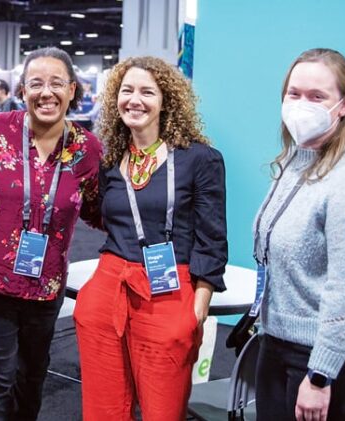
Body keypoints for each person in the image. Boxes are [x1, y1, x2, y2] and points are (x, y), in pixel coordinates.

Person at [73, 56, 227, 420]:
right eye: (127, 91)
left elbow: (212, 238)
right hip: (106, 290)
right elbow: (102, 217)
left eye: (147, 92)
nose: (134, 100)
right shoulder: (111, 160)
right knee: (104, 409)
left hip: (171, 292)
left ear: (166, 101)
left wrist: (197, 309)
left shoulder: (200, 159)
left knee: (163, 410)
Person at [0, 47, 103, 421]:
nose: (47, 92)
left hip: (46, 287)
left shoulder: (87, 149)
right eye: (36, 83)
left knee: (31, 380)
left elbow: (99, 210)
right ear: (23, 90)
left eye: (57, 83)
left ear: (73, 90)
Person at [253, 48, 345, 421]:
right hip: (280, 344)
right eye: (294, 94)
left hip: (332, 360)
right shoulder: (294, 161)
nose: (301, 105)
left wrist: (320, 375)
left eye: (317, 97)